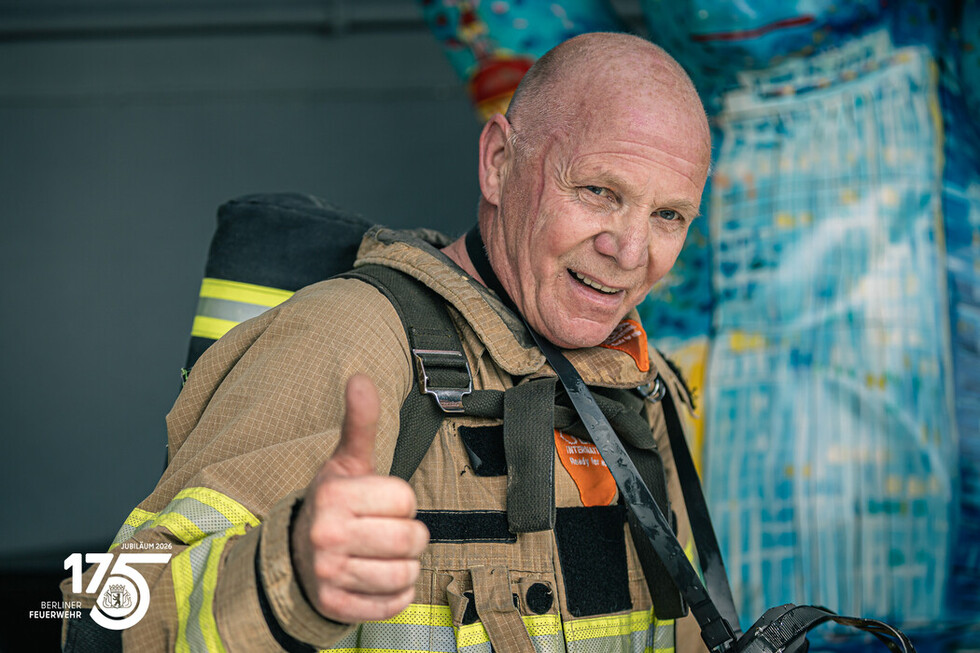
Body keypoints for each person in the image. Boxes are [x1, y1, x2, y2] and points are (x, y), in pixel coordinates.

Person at [62, 31, 712, 652]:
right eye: (599, 190)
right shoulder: (348, 342)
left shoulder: (644, 385)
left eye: (668, 215)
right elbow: (92, 620)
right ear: (498, 162)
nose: (629, 251)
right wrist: (285, 573)